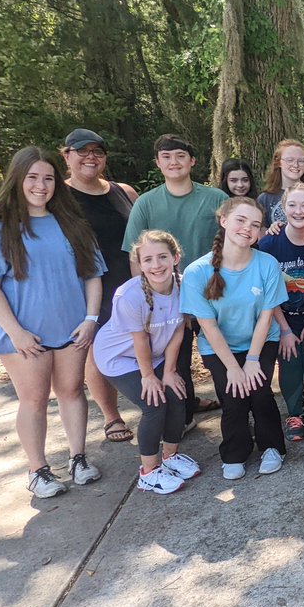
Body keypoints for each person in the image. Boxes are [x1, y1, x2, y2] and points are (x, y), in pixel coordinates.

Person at [0, 146, 106, 498]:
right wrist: (16, 332)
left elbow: (93, 276)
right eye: (33, 178)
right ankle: (37, 470)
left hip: (72, 328)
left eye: (48, 178)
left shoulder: (71, 225)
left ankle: (78, 458)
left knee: (72, 391)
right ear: (17, 180)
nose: (41, 186)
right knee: (34, 400)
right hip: (24, 334)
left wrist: (90, 319)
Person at [121, 134, 227, 428]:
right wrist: (147, 300)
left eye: (180, 155)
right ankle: (181, 419)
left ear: (192, 161)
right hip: (166, 299)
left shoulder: (216, 198)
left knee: (221, 355)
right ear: (157, 163)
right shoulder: (146, 204)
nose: (174, 162)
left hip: (212, 294)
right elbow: (134, 256)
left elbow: (235, 242)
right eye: (166, 157)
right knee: (175, 361)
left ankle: (235, 410)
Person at [180, 197, 288, 480]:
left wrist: (252, 360)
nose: (247, 229)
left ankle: (272, 446)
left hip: (261, 341)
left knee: (260, 390)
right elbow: (209, 327)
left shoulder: (267, 264)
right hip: (219, 348)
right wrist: (233, 368)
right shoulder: (197, 272)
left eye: (255, 225)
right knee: (233, 395)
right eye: (241, 220)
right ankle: (235, 451)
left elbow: (267, 315)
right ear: (224, 220)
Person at [93, 231, 200, 494]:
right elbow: (139, 339)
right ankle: (148, 471)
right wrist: (149, 376)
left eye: (162, 257)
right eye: (148, 259)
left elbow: (178, 330)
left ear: (175, 258)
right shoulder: (129, 295)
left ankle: (170, 456)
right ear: (139, 264)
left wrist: (170, 371)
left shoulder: (183, 285)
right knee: (155, 403)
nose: (156, 265)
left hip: (156, 353)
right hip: (120, 358)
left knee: (177, 394)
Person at [62, 128, 139, 444]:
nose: (91, 157)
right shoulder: (59, 198)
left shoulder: (123, 191)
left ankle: (178, 402)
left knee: (146, 340)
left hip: (130, 278)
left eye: (97, 151)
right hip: (88, 285)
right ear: (66, 155)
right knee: (98, 351)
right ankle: (112, 417)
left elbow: (139, 234)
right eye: (82, 151)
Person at [256, 183, 304, 442]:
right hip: (282, 315)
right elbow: (268, 293)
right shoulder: (269, 244)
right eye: (292, 205)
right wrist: (285, 330)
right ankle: (294, 414)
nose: (298, 211)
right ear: (283, 209)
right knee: (289, 359)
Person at [257, 139, 304, 227]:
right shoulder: (265, 199)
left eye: (301, 161)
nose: (296, 165)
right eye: (290, 160)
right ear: (279, 163)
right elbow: (261, 233)